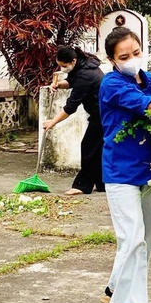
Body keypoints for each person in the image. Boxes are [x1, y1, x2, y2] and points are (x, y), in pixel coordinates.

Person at [99, 26, 151, 303]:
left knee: (145, 239)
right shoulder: (112, 83)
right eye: (124, 56)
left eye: (136, 52)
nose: (132, 59)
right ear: (112, 60)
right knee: (133, 238)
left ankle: (114, 286)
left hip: (150, 169)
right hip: (120, 171)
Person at [43, 45, 105, 195]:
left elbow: (71, 107)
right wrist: (58, 84)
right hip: (99, 113)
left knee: (89, 147)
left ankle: (82, 186)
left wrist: (52, 122)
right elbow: (71, 81)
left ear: (73, 61)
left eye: (64, 66)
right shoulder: (82, 66)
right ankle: (102, 184)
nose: (62, 69)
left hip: (104, 114)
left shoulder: (86, 75)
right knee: (97, 149)